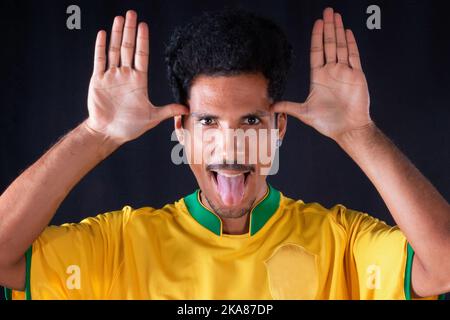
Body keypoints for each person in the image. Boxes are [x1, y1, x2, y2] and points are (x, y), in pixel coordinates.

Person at [0, 7, 448, 300]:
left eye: (251, 121)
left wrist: (358, 133)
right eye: (208, 122)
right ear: (181, 130)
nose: (230, 145)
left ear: (279, 130)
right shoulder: (123, 244)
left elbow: (444, 266)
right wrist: (96, 134)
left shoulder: (341, 243)